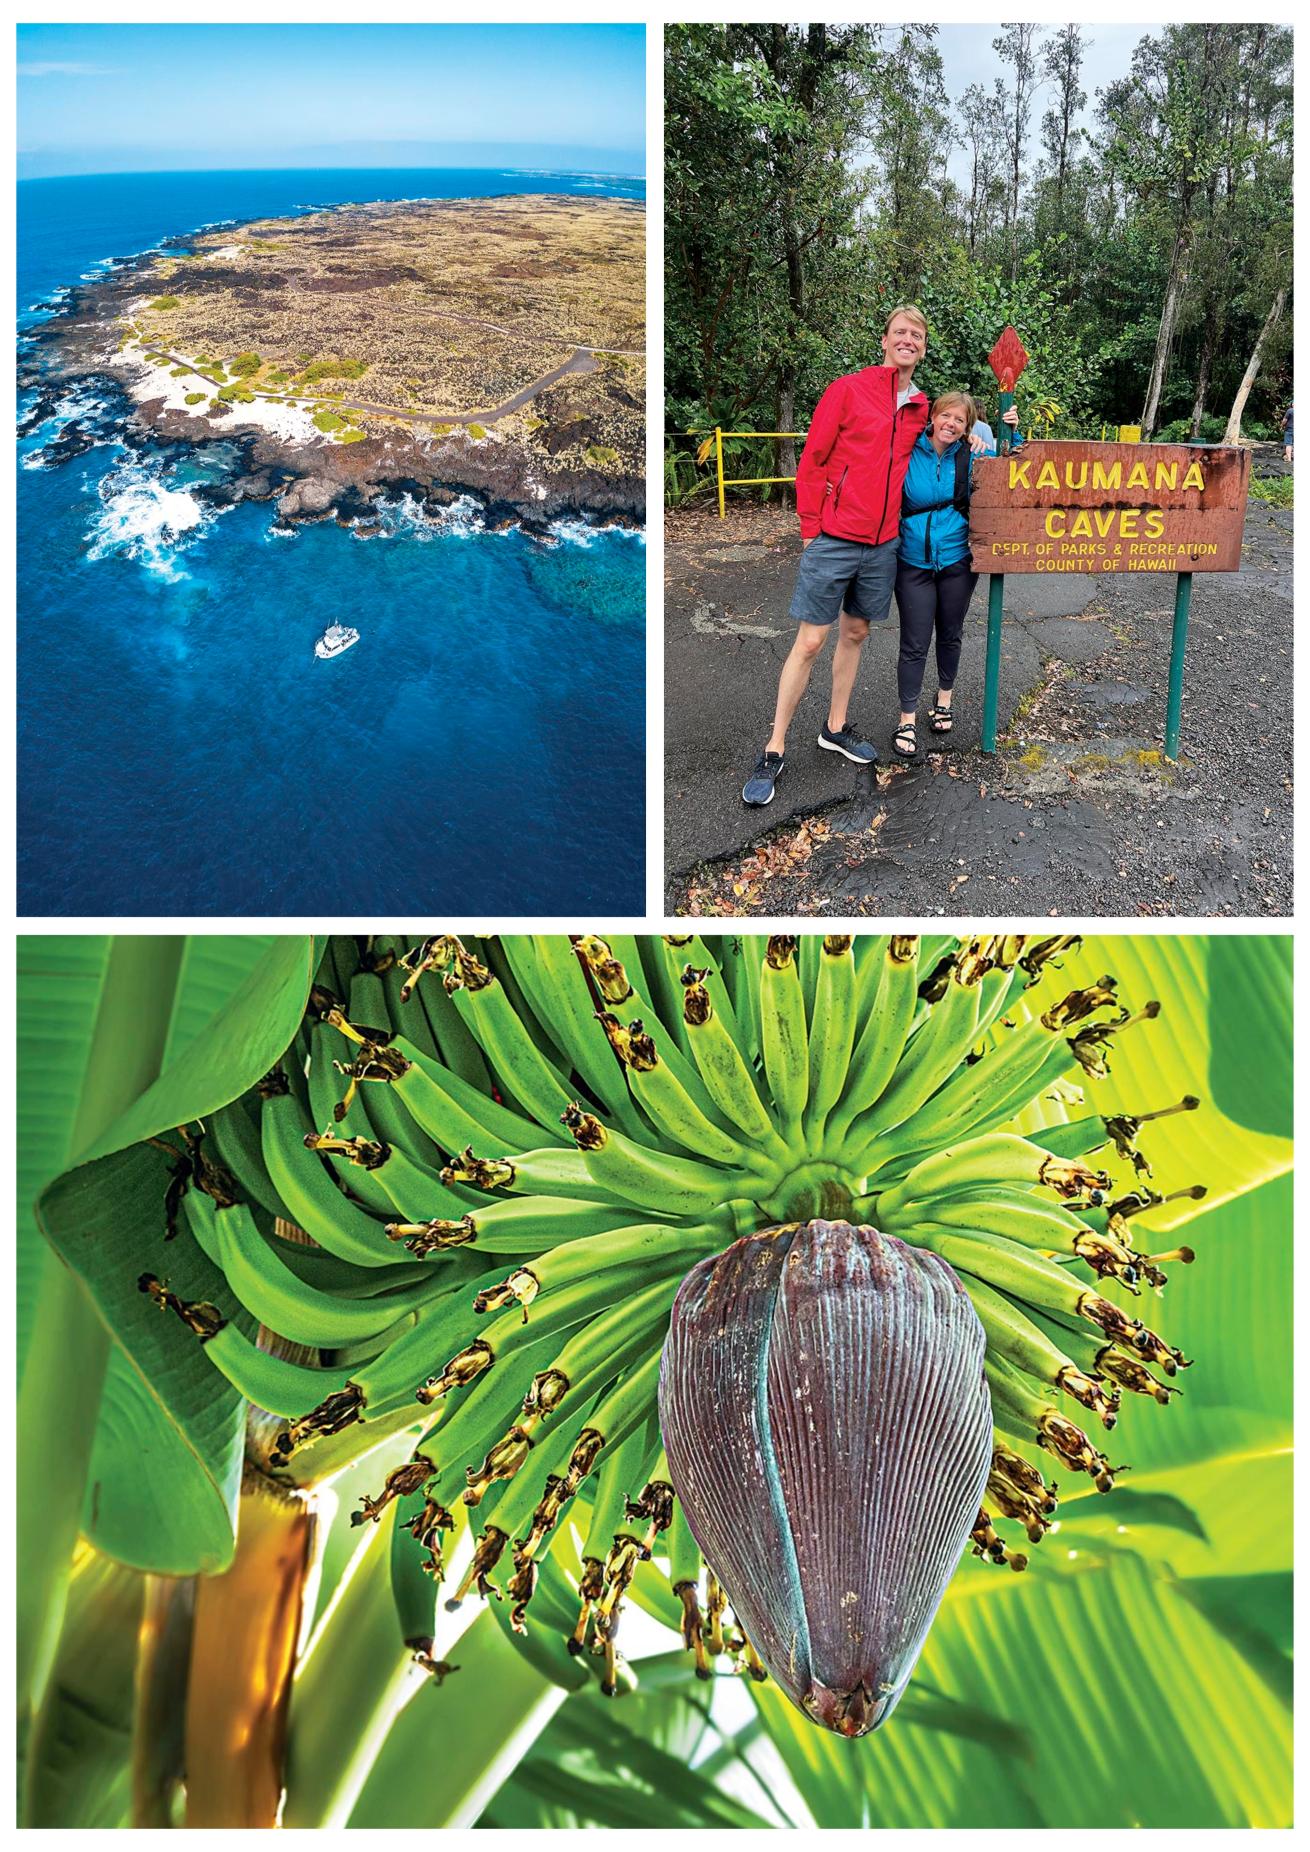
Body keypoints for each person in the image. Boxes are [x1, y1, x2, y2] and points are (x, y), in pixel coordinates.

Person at [741, 305, 986, 807]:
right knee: (810, 641)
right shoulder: (847, 390)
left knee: (856, 633)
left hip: (883, 545)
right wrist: (811, 528)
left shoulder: (921, 408)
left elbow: (945, 443)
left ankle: (835, 727)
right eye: (900, 332)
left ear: (922, 346)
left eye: (916, 335)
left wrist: (982, 434)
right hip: (834, 536)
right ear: (885, 340)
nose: (908, 340)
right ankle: (774, 747)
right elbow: (813, 460)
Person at [891, 391, 1017, 756]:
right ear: (933, 417)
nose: (951, 424)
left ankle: (944, 698)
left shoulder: (973, 453)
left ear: (968, 427)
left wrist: (1012, 432)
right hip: (913, 559)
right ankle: (907, 719)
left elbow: (1012, 466)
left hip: (957, 560)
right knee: (914, 642)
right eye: (946, 416)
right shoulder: (909, 449)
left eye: (959, 420)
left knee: (950, 632)